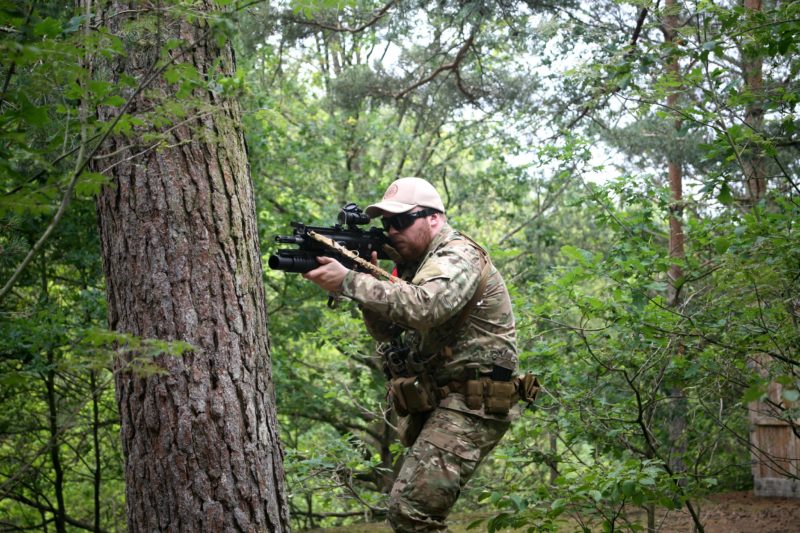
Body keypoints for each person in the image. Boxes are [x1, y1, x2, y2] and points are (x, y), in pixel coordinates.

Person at [303, 177, 521, 532]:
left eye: (401, 222)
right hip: (442, 401)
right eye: (386, 223)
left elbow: (425, 308)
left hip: (473, 401)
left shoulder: (456, 254)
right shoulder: (416, 265)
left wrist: (348, 281)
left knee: (411, 514)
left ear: (433, 218)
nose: (392, 231)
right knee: (407, 512)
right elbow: (388, 331)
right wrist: (360, 277)